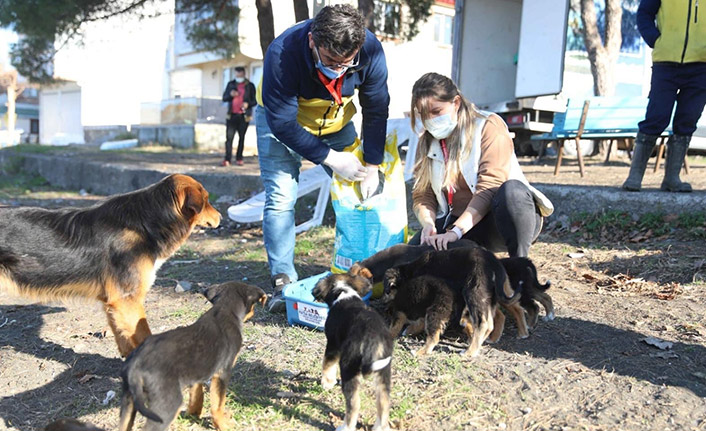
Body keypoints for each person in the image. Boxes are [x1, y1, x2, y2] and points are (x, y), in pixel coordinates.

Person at [256, 4, 389, 311]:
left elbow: (376, 107)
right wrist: (330, 158)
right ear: (314, 41)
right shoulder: (282, 54)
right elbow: (283, 124)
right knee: (281, 197)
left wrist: (372, 164)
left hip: (335, 121)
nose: (340, 69)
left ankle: (366, 273)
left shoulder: (370, 51)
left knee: (361, 193)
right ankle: (282, 279)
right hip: (280, 121)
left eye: (348, 62)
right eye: (331, 61)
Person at [408, 73, 553, 257]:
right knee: (410, 258)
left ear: (456, 103)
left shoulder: (488, 125)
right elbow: (423, 193)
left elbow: (490, 185)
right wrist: (428, 223)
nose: (431, 120)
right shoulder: (427, 141)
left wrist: (456, 232)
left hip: (498, 220)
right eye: (423, 114)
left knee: (512, 191)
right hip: (455, 222)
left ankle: (519, 264)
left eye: (436, 112)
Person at [622, 0, 706, 192]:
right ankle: (635, 176)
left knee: (688, 119)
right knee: (656, 117)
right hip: (666, 63)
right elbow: (644, 14)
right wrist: (656, 40)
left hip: (701, 66)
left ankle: (671, 179)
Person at [221, 66, 257, 167]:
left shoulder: (250, 86)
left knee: (241, 138)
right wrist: (230, 95)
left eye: (240, 74)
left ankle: (239, 158)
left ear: (244, 74)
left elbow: (254, 101)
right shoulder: (231, 84)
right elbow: (224, 98)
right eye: (237, 74)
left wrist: (247, 104)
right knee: (229, 138)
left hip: (244, 116)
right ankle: (227, 159)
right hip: (231, 115)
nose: (238, 76)